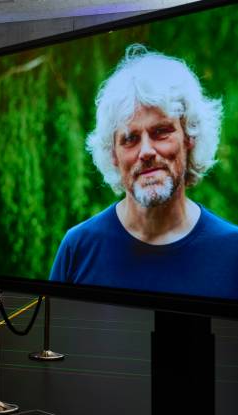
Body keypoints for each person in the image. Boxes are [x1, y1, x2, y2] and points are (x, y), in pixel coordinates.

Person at [50, 44, 238, 300]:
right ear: (113, 155)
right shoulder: (79, 248)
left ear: (189, 138)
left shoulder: (232, 251)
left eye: (161, 131)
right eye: (130, 138)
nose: (146, 151)